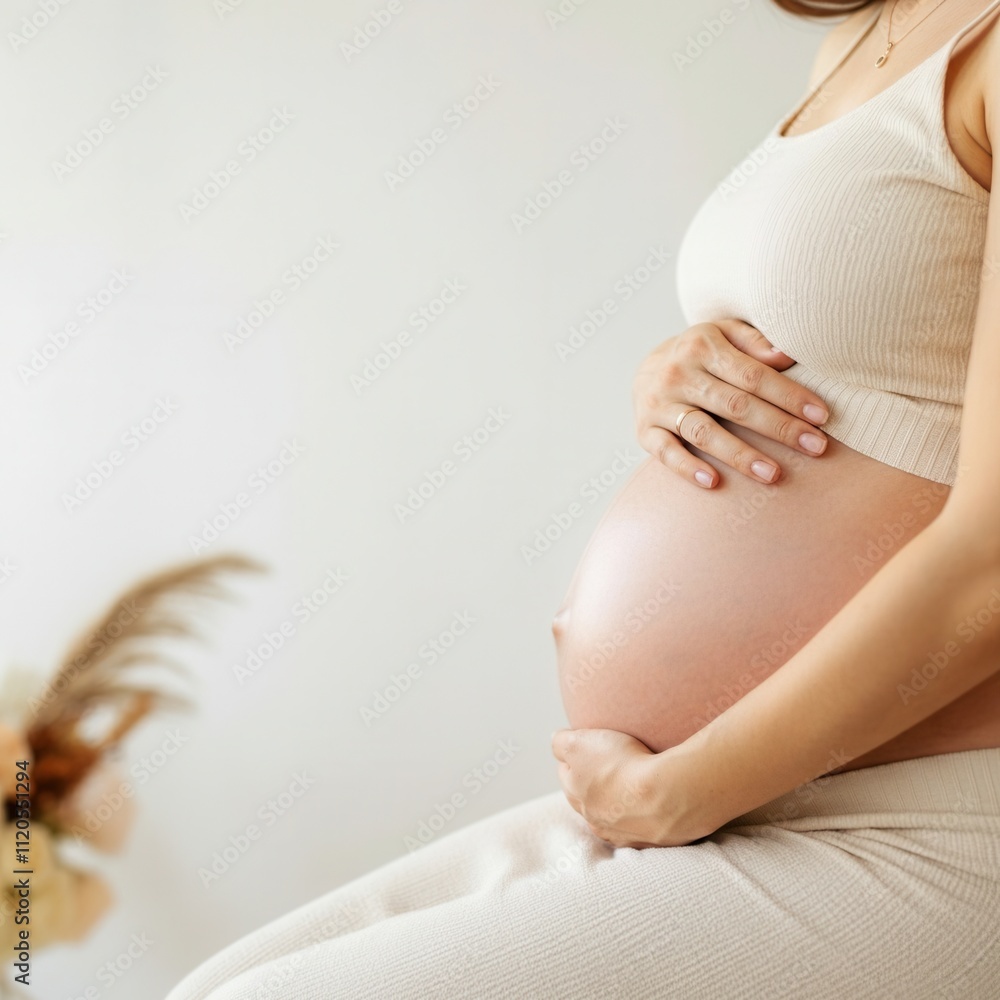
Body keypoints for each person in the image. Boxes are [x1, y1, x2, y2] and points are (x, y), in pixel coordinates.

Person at [166, 1, 1000, 996]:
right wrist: (673, 370)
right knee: (218, 984)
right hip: (748, 790)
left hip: (920, 807)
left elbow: (990, 555)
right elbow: (868, 337)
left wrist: (685, 787)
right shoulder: (863, 40)